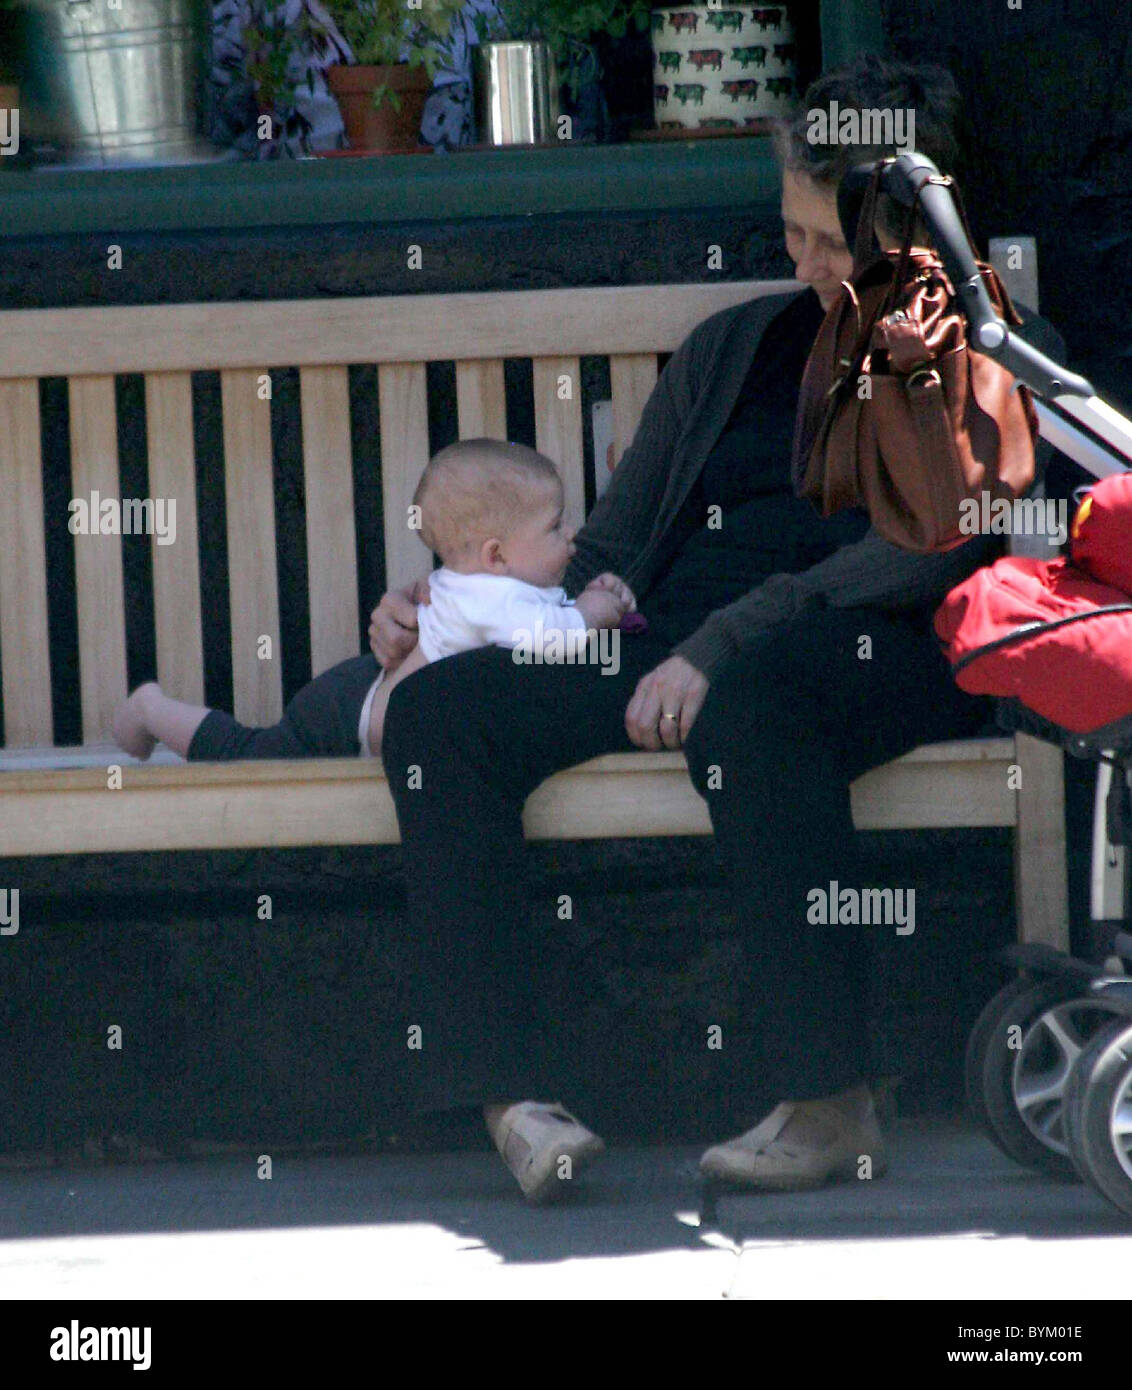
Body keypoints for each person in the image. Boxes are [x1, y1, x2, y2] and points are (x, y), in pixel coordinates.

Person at [371, 54, 1066, 1203]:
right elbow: (604, 551)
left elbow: (929, 542)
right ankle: (513, 1098)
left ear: (910, 223)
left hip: (872, 645)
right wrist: (445, 603)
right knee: (443, 716)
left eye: (830, 244)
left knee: (750, 708)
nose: (800, 264)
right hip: (668, 644)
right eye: (789, 233)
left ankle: (832, 1098)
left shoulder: (982, 352)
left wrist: (723, 640)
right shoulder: (730, 350)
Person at [111, 439, 634, 764]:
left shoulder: (491, 584)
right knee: (252, 757)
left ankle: (155, 711)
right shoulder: (490, 596)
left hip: (367, 691)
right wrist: (595, 610)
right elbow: (552, 637)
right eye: (554, 526)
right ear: (495, 555)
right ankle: (151, 709)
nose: (572, 535)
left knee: (256, 749)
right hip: (345, 713)